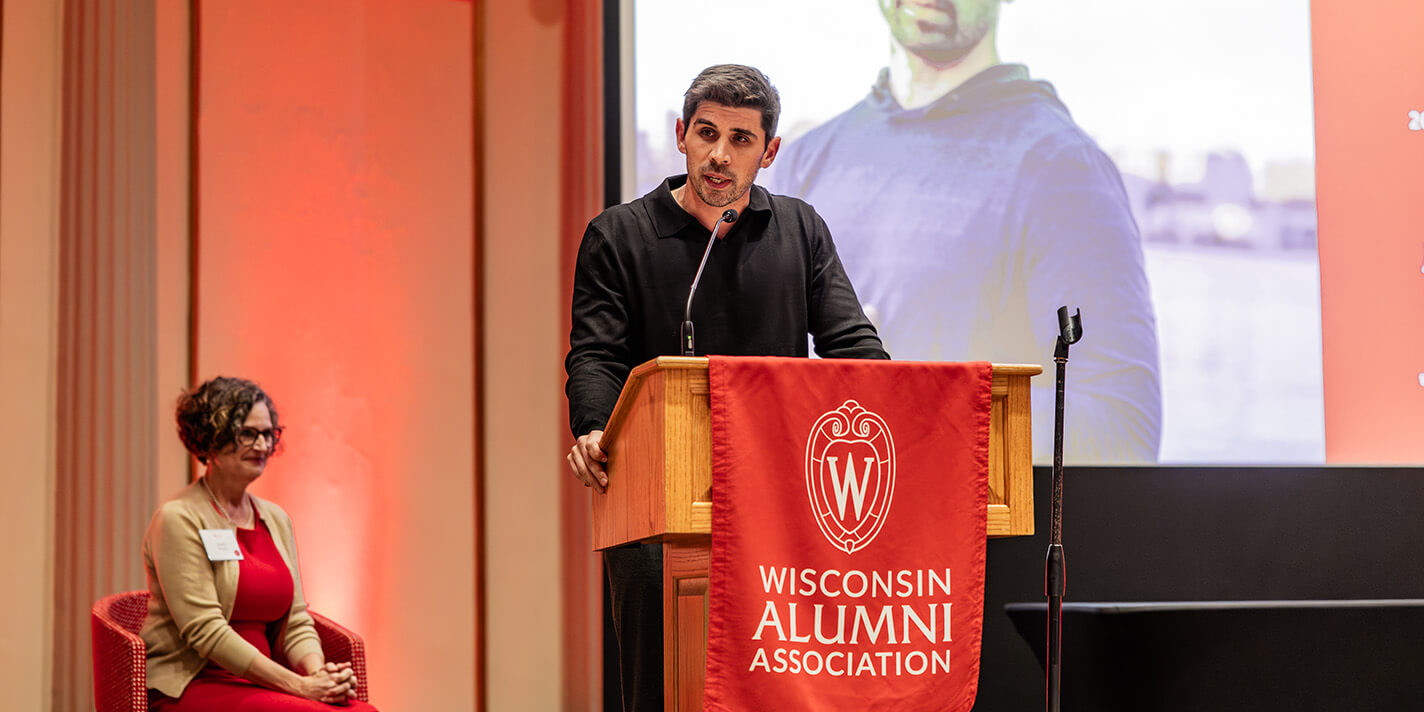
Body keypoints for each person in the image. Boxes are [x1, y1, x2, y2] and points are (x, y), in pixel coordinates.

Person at [564, 64, 889, 712]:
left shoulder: (799, 229)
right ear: (681, 134)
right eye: (707, 133)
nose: (719, 155)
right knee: (666, 687)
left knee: (776, 688)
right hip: (654, 502)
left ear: (769, 151)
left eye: (741, 140)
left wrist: (884, 407)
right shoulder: (619, 235)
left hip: (778, 502)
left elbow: (853, 346)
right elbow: (597, 354)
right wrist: (593, 427)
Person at [766, 0, 1162, 463]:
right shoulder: (805, 161)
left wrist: (909, 408)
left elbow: (1124, 435)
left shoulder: (1064, 171)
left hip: (963, 532)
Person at [141, 377, 378, 711]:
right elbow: (207, 632)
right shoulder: (179, 519)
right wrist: (299, 686)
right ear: (209, 440)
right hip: (195, 682)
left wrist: (320, 675)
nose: (263, 445)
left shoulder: (276, 519)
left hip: (263, 682)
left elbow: (296, 620)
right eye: (247, 434)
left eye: (268, 434)